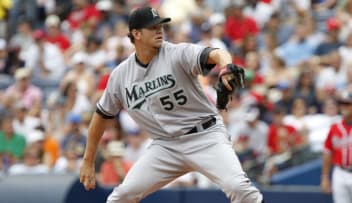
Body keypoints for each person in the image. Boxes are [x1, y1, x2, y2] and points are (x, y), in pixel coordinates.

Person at [80, 6, 264, 203]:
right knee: (121, 197)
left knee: (240, 189)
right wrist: (88, 160)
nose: (159, 30)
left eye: (160, 26)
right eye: (152, 28)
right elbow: (101, 115)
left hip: (205, 136)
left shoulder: (177, 53)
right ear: (136, 34)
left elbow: (216, 53)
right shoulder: (120, 76)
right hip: (165, 146)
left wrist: (226, 66)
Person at [321, 91, 352, 203]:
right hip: (340, 172)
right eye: (342, 104)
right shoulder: (335, 128)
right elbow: (327, 152)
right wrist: (324, 177)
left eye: (348, 104)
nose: (344, 107)